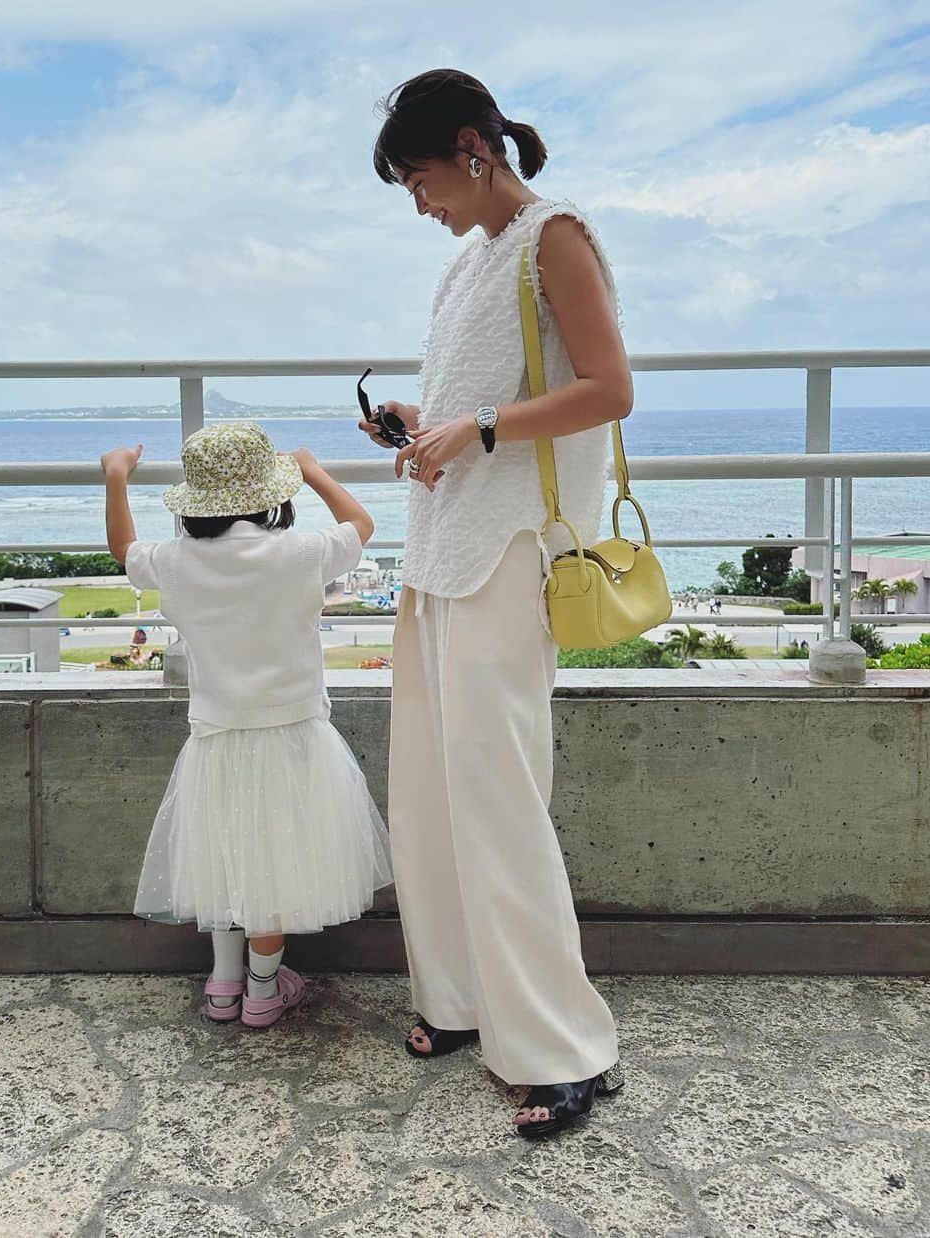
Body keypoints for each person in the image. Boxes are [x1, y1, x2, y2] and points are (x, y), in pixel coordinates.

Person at [363, 68, 629, 1139]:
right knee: (429, 796)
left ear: (474, 148)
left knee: (500, 797)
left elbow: (608, 388)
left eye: (420, 178)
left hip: (511, 550)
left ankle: (563, 1048)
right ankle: (468, 1003)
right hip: (441, 552)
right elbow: (486, 396)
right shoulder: (466, 264)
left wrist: (473, 430)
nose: (419, 202)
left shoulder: (553, 233)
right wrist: (421, 423)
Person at [100, 422, 393, 1027]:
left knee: (225, 861)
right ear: (272, 494)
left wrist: (116, 477)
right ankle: (263, 990)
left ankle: (223, 982)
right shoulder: (301, 552)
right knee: (276, 865)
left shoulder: (178, 562)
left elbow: (124, 552)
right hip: (295, 738)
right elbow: (361, 526)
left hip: (216, 740)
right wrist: (313, 470)